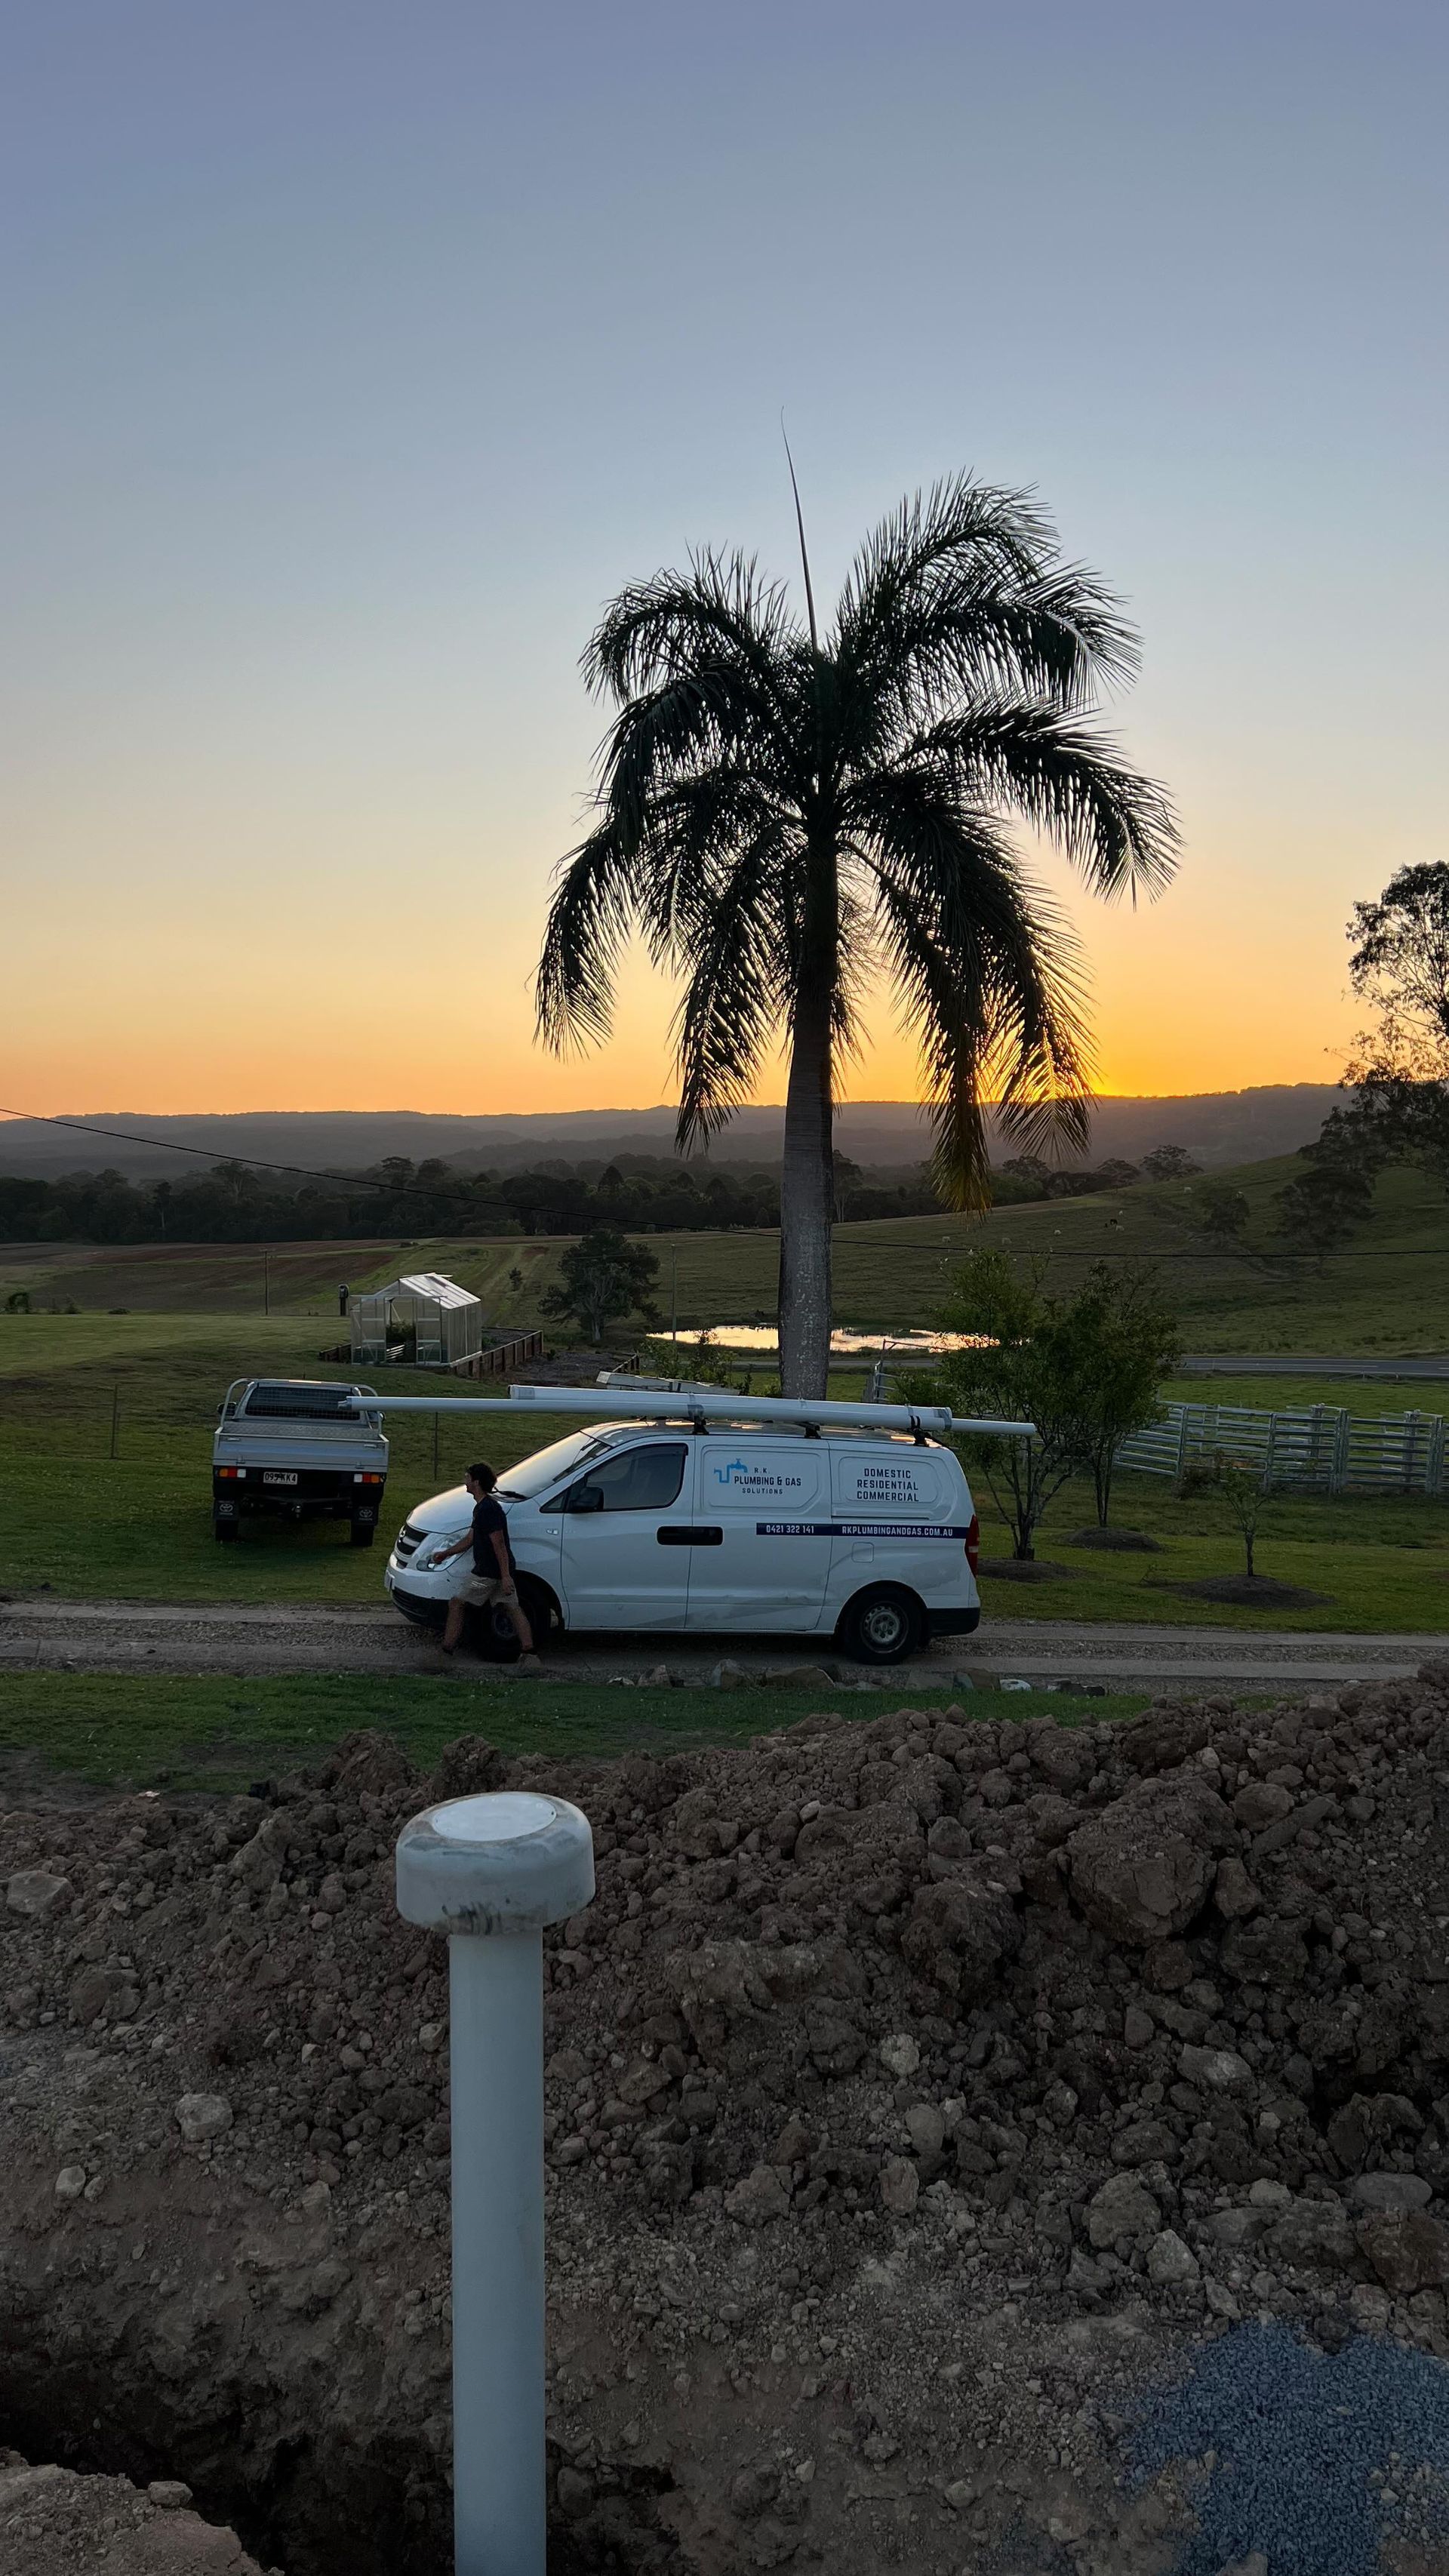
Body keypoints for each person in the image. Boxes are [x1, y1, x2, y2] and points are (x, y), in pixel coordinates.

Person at [435, 1462, 542, 1672]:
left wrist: (505, 1576)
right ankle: (530, 1656)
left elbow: (499, 1543)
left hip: (487, 1573)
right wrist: (446, 1553)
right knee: (512, 1608)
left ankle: (445, 1653)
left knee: (457, 1603)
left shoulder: (488, 1510)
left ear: (476, 1482)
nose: (464, 1481)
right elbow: (471, 1538)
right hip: (499, 1572)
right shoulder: (484, 1508)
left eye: (467, 1477)